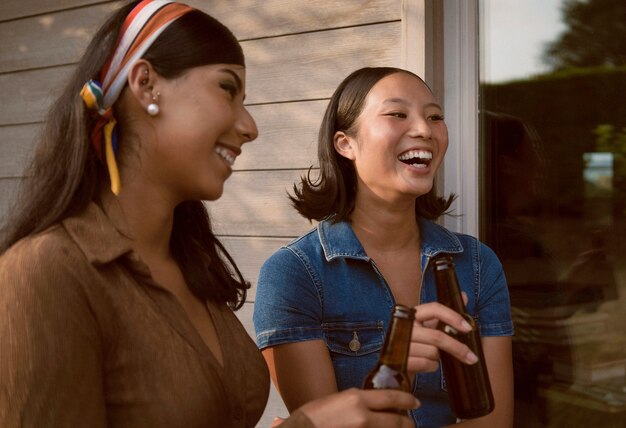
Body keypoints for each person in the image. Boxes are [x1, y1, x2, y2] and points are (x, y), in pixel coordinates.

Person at [0, 2, 420, 427]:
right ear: (146, 84)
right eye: (227, 89)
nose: (250, 126)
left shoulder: (193, 268)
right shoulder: (44, 273)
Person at [253, 67, 515, 427]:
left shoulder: (479, 264)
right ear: (346, 143)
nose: (425, 129)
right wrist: (391, 369)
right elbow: (327, 424)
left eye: (435, 116)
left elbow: (493, 424)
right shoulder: (295, 274)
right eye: (397, 114)